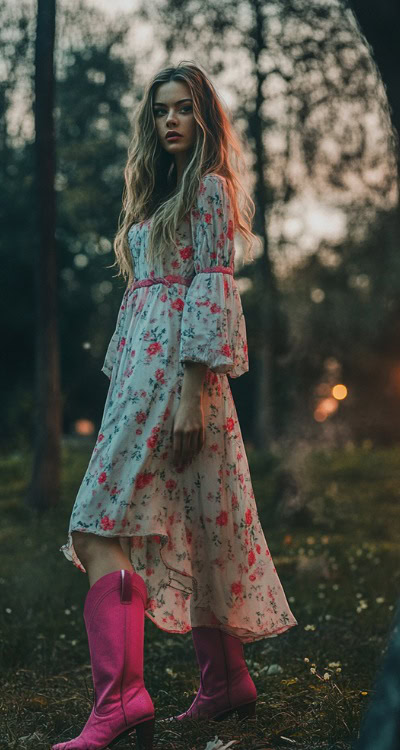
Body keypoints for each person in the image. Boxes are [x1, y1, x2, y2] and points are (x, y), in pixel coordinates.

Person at [52, 61, 298, 750]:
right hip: (142, 377)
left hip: (175, 382)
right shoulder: (156, 197)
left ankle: (121, 703)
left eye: (184, 108)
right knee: (200, 518)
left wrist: (191, 395)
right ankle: (224, 684)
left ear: (204, 117)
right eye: (160, 110)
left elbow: (210, 291)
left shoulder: (211, 190)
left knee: (98, 522)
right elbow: (147, 301)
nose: (169, 121)